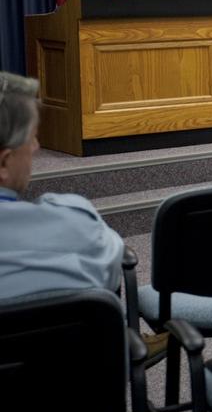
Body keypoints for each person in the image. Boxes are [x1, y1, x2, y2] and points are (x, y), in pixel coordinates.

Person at [0, 71, 123, 299]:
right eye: (32, 138)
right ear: (4, 162)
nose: (36, 147)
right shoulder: (76, 227)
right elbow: (113, 270)